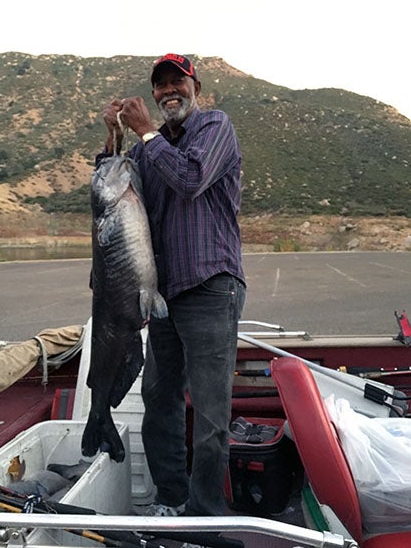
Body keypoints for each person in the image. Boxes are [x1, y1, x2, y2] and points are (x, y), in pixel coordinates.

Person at [100, 54, 246, 518]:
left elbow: (191, 178)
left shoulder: (215, 127)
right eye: (160, 86)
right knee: (159, 401)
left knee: (208, 414)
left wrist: (144, 132)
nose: (168, 92)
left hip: (209, 286)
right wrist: (116, 134)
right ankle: (171, 497)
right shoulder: (147, 145)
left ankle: (206, 512)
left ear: (194, 86)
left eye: (176, 82)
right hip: (164, 297)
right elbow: (115, 185)